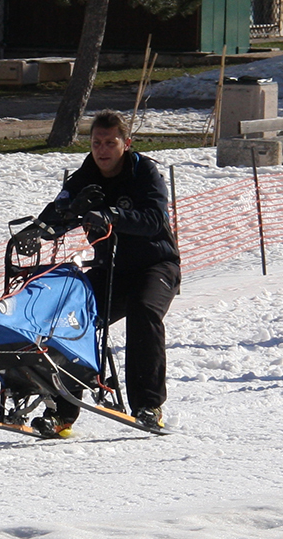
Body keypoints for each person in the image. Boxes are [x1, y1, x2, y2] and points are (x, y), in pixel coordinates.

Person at [32, 109, 180, 433]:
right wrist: (39, 228)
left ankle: (148, 406)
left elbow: (154, 220)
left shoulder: (144, 172)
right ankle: (62, 412)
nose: (102, 150)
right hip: (111, 268)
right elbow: (61, 207)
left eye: (110, 143)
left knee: (143, 312)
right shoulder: (87, 174)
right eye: (96, 142)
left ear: (126, 144)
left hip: (155, 266)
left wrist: (112, 216)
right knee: (73, 315)